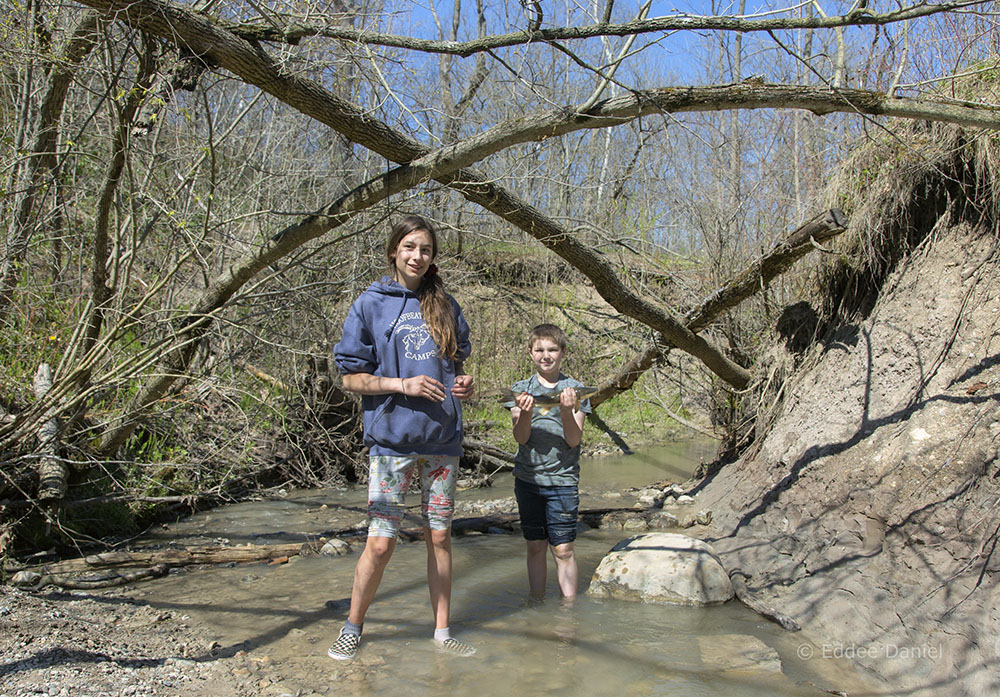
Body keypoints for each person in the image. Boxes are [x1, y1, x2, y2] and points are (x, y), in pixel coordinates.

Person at [328, 215, 476, 660]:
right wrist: (402, 384)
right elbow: (351, 379)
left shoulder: (445, 304)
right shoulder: (370, 304)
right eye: (410, 247)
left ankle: (442, 632)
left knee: (440, 538)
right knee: (380, 541)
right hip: (391, 443)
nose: (417, 256)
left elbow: (458, 368)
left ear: (433, 257)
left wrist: (466, 386)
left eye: (425, 249)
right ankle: (353, 627)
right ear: (394, 250)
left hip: (442, 443)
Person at [507, 323, 591, 600]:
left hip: (563, 481)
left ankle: (569, 611)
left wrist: (568, 411)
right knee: (535, 546)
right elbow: (520, 437)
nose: (546, 355)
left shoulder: (575, 389)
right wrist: (526, 413)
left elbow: (573, 440)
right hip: (528, 480)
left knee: (564, 549)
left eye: (552, 349)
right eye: (540, 350)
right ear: (531, 353)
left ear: (563, 352)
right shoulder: (521, 389)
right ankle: (537, 603)